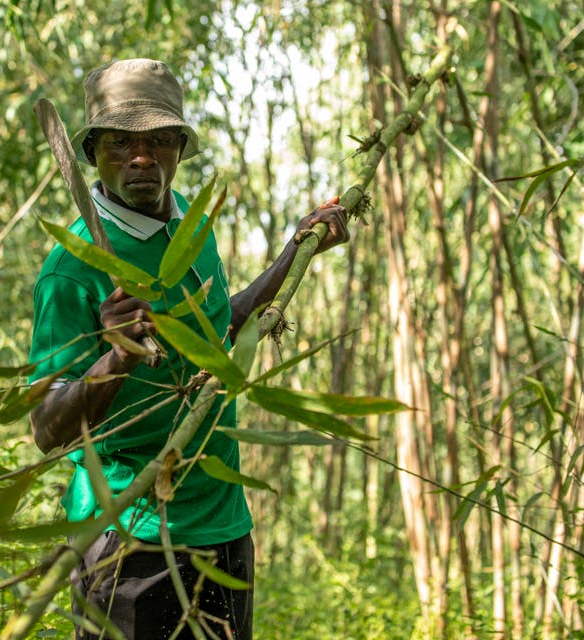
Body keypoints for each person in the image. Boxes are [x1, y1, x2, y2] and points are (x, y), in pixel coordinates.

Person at [28, 58, 348, 640]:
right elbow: (47, 431)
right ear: (94, 151)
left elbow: (219, 331)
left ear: (180, 146)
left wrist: (295, 251)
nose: (141, 157)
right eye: (121, 141)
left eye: (158, 140)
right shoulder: (69, 270)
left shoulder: (192, 230)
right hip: (127, 541)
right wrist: (116, 356)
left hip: (223, 528)